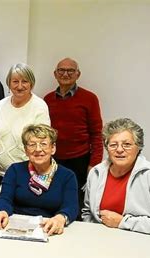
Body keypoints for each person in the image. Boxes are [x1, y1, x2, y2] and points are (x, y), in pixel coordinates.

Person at [0, 63, 50, 205]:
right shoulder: (0, 105)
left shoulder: (39, 106)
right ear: (9, 83)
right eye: (15, 81)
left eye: (24, 81)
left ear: (31, 83)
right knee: (1, 210)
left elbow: (42, 143)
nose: (19, 86)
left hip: (26, 174)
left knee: (21, 212)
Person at [0, 124, 79, 236]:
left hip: (49, 228)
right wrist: (2, 211)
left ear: (53, 148)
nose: (38, 149)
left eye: (43, 144)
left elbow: (71, 206)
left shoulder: (67, 176)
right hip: (15, 226)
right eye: (32, 145)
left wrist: (60, 218)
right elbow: (4, 198)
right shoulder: (15, 170)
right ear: (26, 150)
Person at [44, 57, 103, 220]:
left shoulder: (90, 98)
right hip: (52, 160)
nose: (65, 74)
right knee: (52, 199)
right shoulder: (48, 99)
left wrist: (94, 164)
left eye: (70, 70)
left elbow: (97, 134)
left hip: (79, 160)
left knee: (75, 203)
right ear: (55, 74)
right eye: (61, 70)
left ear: (78, 74)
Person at [82, 118, 150, 234]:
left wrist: (122, 222)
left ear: (138, 147)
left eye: (127, 144)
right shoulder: (96, 173)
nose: (119, 150)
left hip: (139, 244)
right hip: (99, 242)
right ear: (107, 148)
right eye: (113, 145)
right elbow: (87, 213)